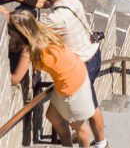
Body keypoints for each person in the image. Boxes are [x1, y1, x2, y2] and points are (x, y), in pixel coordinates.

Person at [0, 0, 107, 148]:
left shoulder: (54, 21)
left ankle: (100, 144)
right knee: (55, 116)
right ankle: (89, 142)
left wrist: (5, 12)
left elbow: (24, 24)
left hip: (81, 68)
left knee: (86, 115)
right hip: (91, 53)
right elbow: (42, 5)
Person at [8, 11, 98, 148]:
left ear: (21, 33)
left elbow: (15, 79)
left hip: (73, 87)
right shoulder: (41, 30)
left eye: (12, 33)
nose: (10, 36)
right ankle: (67, 145)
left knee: (80, 127)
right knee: (53, 116)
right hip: (73, 74)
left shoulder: (30, 50)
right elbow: (15, 17)